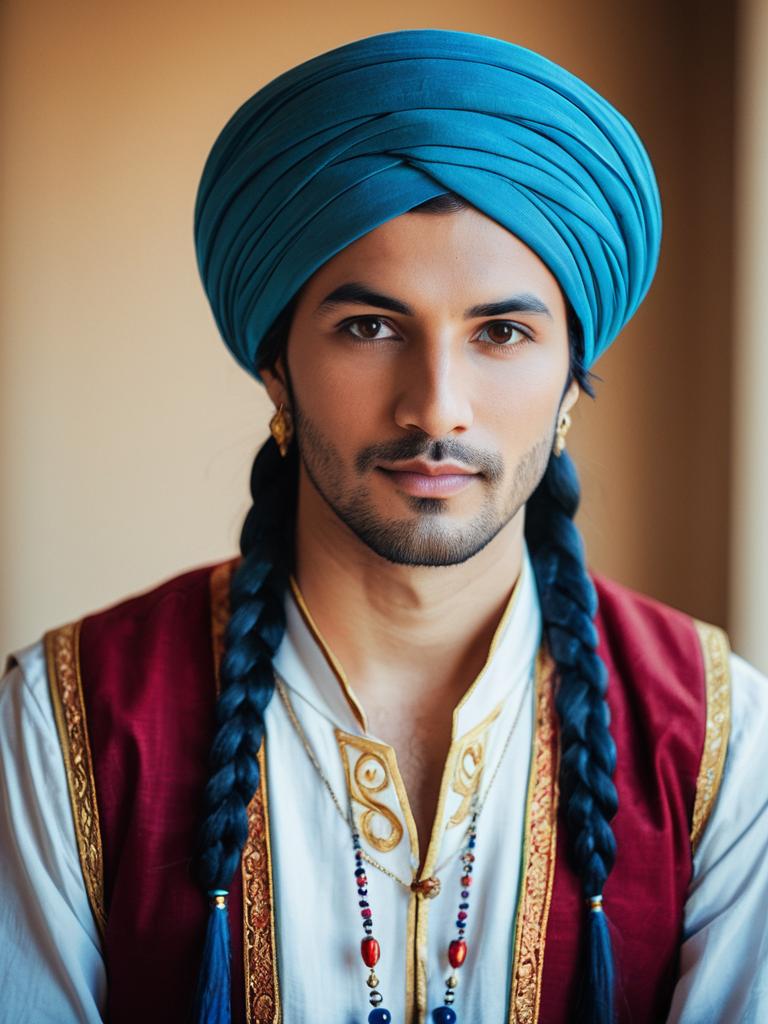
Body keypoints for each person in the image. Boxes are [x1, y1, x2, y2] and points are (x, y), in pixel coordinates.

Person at [1, 27, 767, 1024]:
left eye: (502, 332)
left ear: (571, 380)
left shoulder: (722, 741)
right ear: (277, 367)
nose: (437, 405)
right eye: (370, 326)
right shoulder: (66, 723)